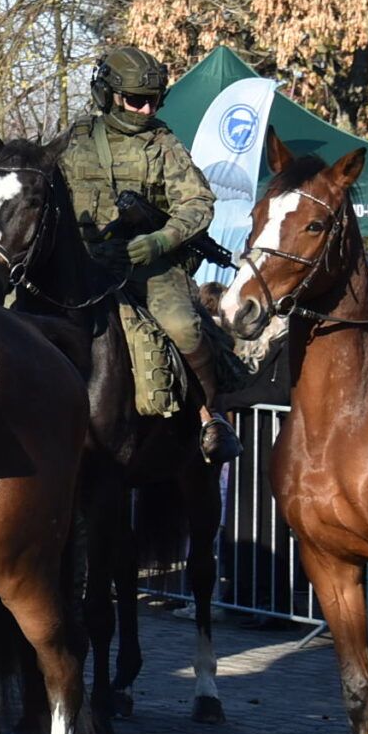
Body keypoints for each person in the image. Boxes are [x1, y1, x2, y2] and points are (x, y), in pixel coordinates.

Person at [56, 46, 236, 463]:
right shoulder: (74, 141)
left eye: (153, 100)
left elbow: (197, 202)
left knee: (183, 327)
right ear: (107, 95)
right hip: (84, 263)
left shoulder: (163, 143)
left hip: (149, 265)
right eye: (136, 99)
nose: (145, 108)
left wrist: (161, 240)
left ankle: (212, 416)